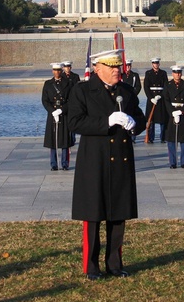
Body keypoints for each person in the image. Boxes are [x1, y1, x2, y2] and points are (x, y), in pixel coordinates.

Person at [70, 48, 145, 280]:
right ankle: (92, 267)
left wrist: (134, 124)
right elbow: (75, 122)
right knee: (93, 216)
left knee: (118, 214)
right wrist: (107, 121)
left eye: (118, 67)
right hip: (95, 161)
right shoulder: (82, 91)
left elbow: (141, 118)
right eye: (112, 67)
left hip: (121, 159)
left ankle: (115, 264)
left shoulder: (126, 91)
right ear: (97, 69)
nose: (117, 71)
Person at [41, 63, 74, 170]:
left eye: (59, 70)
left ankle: (65, 163)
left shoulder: (68, 83)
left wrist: (62, 110)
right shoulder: (48, 84)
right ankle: (54, 164)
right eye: (55, 70)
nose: (57, 72)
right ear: (52, 71)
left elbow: (72, 100)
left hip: (63, 114)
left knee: (65, 140)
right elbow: (45, 100)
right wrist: (52, 111)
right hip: (52, 115)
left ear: (61, 71)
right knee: (52, 141)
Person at [163, 65, 184, 168]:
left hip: (183, 114)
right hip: (172, 114)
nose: (178, 74)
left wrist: (182, 111)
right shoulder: (167, 85)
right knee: (171, 140)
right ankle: (173, 162)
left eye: (179, 72)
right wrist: (172, 112)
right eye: (176, 73)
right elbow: (166, 100)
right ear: (172, 74)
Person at [142, 57, 168, 143]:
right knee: (151, 119)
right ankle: (150, 137)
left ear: (159, 64)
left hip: (160, 99)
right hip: (152, 98)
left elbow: (165, 86)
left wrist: (161, 95)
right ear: (152, 64)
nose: (156, 65)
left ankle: (163, 137)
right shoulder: (148, 73)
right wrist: (151, 98)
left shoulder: (163, 73)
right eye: (154, 63)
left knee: (162, 120)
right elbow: (146, 87)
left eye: (157, 63)